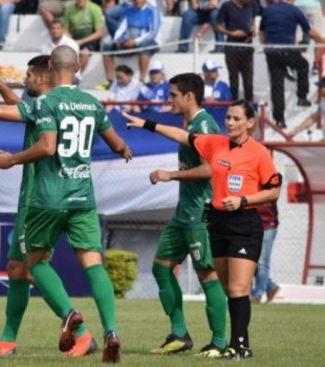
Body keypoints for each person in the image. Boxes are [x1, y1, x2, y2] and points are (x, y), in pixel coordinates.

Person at [0, 45, 132, 363]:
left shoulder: (46, 102)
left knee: (35, 263)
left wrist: (13, 159)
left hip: (48, 196)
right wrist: (124, 149)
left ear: (51, 66)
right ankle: (111, 330)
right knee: (93, 265)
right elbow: (117, 143)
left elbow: (47, 145)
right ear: (79, 66)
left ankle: (70, 316)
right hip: (83, 196)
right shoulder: (93, 104)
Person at [125, 99, 282, 360]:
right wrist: (147, 124)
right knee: (224, 285)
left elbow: (273, 190)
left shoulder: (259, 152)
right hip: (218, 223)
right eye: (228, 118)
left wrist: (243, 200)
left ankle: (240, 345)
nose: (230, 123)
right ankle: (227, 344)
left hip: (244, 224)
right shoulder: (215, 143)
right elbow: (182, 135)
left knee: (238, 288)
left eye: (236, 119)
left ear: (250, 123)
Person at [0, 52, 98, 358]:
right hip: (42, 196)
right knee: (16, 268)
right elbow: (19, 108)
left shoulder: (46, 106)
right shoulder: (47, 106)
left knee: (31, 267)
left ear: (42, 77)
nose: (24, 80)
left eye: (28, 75)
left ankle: (79, 330)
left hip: (40, 199)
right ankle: (7, 341)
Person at [126, 73, 228, 358]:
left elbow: (211, 169)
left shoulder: (205, 124)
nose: (167, 99)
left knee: (207, 275)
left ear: (189, 96)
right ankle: (179, 334)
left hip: (200, 213)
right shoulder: (191, 125)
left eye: (172, 95)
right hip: (183, 213)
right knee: (161, 268)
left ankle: (220, 343)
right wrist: (146, 124)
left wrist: (172, 175)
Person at [259, 0, 325, 128]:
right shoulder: (294, 10)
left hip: (272, 52)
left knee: (277, 86)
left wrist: (265, 47)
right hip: (287, 50)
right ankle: (302, 96)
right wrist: (322, 40)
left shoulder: (268, 10)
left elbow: (262, 33)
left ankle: (279, 120)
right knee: (303, 65)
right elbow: (310, 32)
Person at [96, 0, 162, 90]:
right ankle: (109, 81)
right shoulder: (128, 11)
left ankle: (141, 80)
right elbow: (120, 28)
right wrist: (118, 40)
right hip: (129, 41)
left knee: (144, 48)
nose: (136, 1)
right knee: (107, 46)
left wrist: (136, 41)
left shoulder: (153, 11)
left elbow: (153, 32)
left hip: (147, 41)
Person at [215, 0, 259, 102]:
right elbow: (217, 26)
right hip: (232, 48)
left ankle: (249, 107)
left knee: (248, 81)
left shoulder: (252, 5)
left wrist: (253, 31)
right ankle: (233, 104)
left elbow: (252, 22)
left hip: (247, 47)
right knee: (234, 81)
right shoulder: (227, 6)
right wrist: (231, 33)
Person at [62, 0, 104, 75]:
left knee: (85, 52)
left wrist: (81, 41)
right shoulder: (69, 10)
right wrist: (70, 41)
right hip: (75, 38)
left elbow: (99, 33)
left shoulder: (95, 8)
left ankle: (77, 76)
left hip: (91, 38)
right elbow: (65, 31)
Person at [251, 201, 281, 304]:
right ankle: (271, 287)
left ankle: (256, 295)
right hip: (250, 225)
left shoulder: (269, 186)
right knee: (248, 261)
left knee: (262, 262)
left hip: (267, 225)